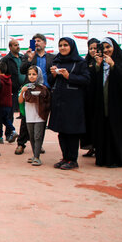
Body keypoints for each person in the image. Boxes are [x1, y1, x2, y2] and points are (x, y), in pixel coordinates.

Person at [48, 37, 90, 170]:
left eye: (65, 45)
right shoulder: (57, 61)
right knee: (62, 132)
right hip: (59, 101)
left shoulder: (80, 62)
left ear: (72, 46)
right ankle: (65, 157)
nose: (62, 48)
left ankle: (73, 159)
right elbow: (50, 82)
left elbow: (86, 80)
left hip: (73, 103)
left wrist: (69, 76)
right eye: (60, 45)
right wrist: (53, 75)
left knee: (72, 132)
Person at [92, 38, 122, 168]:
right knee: (102, 129)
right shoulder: (100, 63)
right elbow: (93, 82)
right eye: (103, 48)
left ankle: (117, 158)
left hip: (117, 104)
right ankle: (102, 157)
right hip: (102, 104)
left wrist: (114, 66)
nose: (106, 50)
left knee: (115, 129)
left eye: (108, 47)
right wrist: (98, 67)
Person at [18, 66, 51, 166]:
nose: (31, 76)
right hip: (29, 116)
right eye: (29, 74)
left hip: (40, 116)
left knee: (37, 136)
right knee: (31, 136)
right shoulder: (26, 87)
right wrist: (22, 91)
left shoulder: (43, 88)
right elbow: (20, 101)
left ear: (39, 75)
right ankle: (34, 155)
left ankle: (37, 157)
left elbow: (46, 101)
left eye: (34, 74)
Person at [80, 38, 100, 157]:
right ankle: (91, 147)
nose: (93, 51)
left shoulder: (103, 61)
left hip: (99, 98)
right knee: (88, 124)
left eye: (95, 48)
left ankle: (99, 147)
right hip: (87, 98)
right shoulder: (85, 62)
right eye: (91, 48)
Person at [0, 60, 15, 142]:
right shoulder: (9, 80)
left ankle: (1, 136)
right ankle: (12, 131)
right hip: (8, 103)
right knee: (5, 118)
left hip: (1, 103)